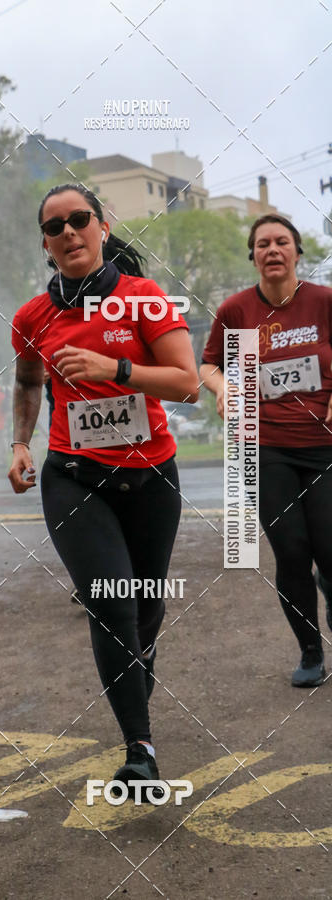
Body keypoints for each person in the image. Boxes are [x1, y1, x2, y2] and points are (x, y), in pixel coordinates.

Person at [8, 183, 199, 797]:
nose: (69, 232)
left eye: (79, 220)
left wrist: (114, 369)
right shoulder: (33, 318)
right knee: (110, 601)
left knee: (145, 605)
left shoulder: (143, 299)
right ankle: (139, 750)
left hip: (151, 480)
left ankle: (135, 672)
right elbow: (28, 384)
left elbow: (187, 383)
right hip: (73, 478)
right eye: (55, 226)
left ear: (102, 225)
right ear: (45, 242)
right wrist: (19, 444)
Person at [201, 214, 332, 688]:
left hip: (324, 446)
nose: (272, 250)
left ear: (297, 252)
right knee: (292, 552)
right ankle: (311, 651)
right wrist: (221, 390)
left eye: (281, 242)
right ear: (253, 256)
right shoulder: (236, 311)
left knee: (330, 549)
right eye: (262, 244)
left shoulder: (323, 302)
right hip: (264, 445)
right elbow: (209, 364)